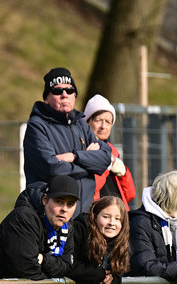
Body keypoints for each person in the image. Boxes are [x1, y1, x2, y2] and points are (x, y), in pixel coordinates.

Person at [23, 68, 112, 217]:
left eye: (70, 90)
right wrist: (89, 166)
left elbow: (105, 158)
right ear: (47, 98)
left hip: (84, 214)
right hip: (52, 216)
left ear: (74, 95)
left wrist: (75, 157)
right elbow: (52, 169)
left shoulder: (81, 123)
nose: (65, 95)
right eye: (58, 91)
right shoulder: (37, 126)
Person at [83, 94, 136, 208]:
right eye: (98, 120)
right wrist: (105, 165)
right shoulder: (83, 149)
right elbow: (88, 190)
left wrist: (123, 174)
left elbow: (130, 194)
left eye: (108, 122)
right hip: (95, 215)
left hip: (118, 216)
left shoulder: (113, 151)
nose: (103, 126)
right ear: (87, 122)